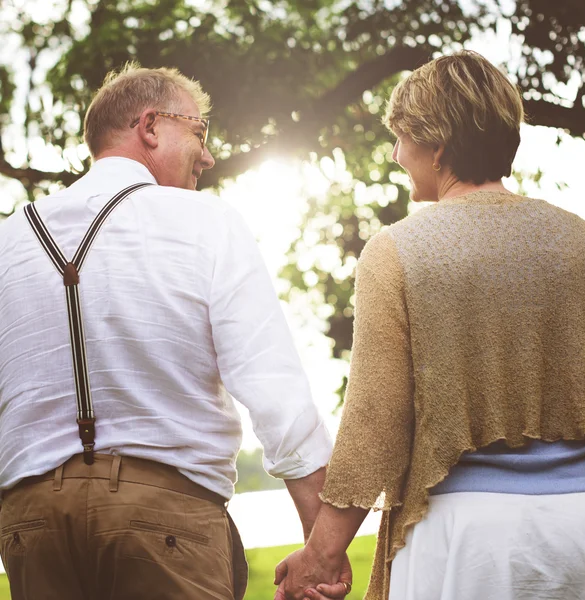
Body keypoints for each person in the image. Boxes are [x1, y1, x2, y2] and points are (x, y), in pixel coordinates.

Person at [0, 63, 336, 600]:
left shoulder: (9, 240)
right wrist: (321, 545)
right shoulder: (205, 220)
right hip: (165, 520)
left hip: (28, 525)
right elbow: (273, 386)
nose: (208, 155)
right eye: (199, 133)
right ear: (150, 126)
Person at [275, 50, 585, 600]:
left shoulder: (398, 250)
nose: (398, 153)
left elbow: (377, 420)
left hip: (467, 543)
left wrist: (323, 554)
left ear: (437, 145)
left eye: (402, 137)